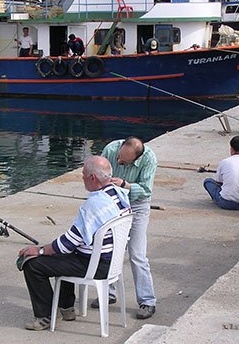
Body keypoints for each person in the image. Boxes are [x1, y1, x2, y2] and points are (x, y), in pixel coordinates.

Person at [18, 156, 131, 331]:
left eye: (83, 174)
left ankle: (45, 315)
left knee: (33, 264)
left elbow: (67, 244)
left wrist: (39, 250)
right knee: (62, 256)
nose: (82, 178)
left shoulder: (94, 204)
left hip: (96, 266)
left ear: (92, 178)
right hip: (112, 262)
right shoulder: (119, 194)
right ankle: (66, 308)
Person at [92, 137, 157, 320]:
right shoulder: (110, 149)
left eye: (124, 162)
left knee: (137, 253)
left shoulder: (149, 159)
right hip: (111, 202)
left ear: (136, 159)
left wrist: (124, 185)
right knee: (109, 249)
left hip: (137, 205)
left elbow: (146, 190)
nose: (119, 161)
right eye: (119, 158)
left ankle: (147, 301)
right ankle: (108, 293)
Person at [203, 136, 239, 210]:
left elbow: (219, 183)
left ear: (231, 148)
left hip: (226, 203)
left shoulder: (224, 162)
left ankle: (219, 198)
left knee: (208, 181)